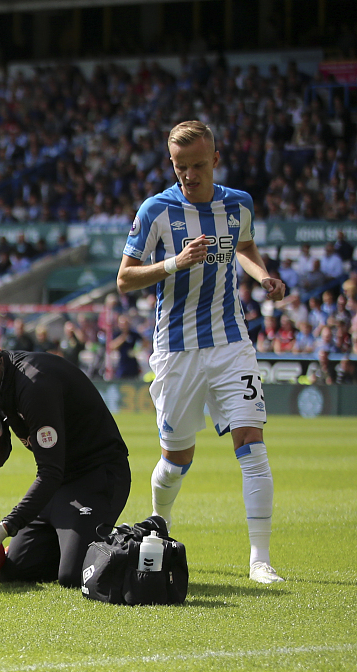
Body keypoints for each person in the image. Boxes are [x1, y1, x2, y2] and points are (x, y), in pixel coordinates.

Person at [117, 120, 287, 584]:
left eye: (196, 165)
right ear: (171, 164)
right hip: (177, 350)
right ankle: (160, 525)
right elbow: (124, 278)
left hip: (232, 344)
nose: (189, 175)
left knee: (251, 445)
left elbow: (246, 247)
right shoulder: (155, 211)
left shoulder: (238, 204)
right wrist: (175, 262)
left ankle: (259, 559)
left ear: (215, 159)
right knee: (176, 460)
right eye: (180, 166)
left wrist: (262, 276)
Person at [0, 326, 131, 589]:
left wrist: (7, 526)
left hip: (98, 477)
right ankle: (72, 541)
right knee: (16, 572)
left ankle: (130, 539)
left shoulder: (34, 384)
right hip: (60, 486)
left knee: (73, 575)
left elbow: (50, 471)